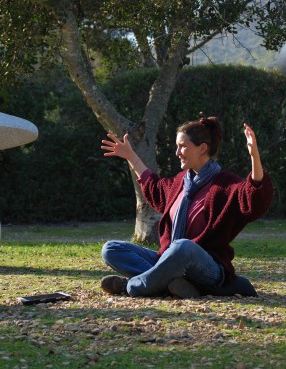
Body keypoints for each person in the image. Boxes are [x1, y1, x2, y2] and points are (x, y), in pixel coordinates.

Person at [100, 117, 273, 298]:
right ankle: (173, 285)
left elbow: (253, 196)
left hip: (208, 268)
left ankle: (132, 286)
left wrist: (255, 157)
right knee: (111, 249)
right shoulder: (180, 182)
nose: (177, 152)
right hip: (170, 259)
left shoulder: (225, 185)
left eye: (182, 146)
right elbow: (154, 187)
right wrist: (131, 156)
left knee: (183, 247)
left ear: (202, 148)